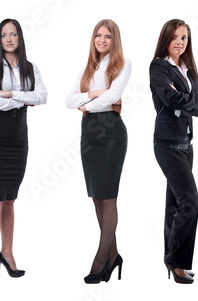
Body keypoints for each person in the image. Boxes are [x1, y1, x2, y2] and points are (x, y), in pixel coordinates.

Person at [0, 18, 46, 284]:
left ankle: (7, 252)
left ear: (20, 38)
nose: (9, 39)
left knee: (10, 199)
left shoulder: (32, 67)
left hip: (20, 139)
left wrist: (8, 94)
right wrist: (21, 97)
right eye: (4, 35)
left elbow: (42, 97)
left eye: (13, 34)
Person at [63, 19, 131, 284]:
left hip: (111, 132)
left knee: (108, 197)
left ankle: (101, 260)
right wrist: (91, 94)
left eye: (107, 37)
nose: (102, 41)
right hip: (89, 134)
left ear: (115, 40)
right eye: (98, 36)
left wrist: (87, 103)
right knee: (96, 197)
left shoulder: (123, 64)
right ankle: (114, 255)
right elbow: (69, 100)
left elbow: (112, 97)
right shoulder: (89, 67)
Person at [149, 19, 198, 285]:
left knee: (175, 203)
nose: (180, 42)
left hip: (187, 143)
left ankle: (175, 261)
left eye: (184, 38)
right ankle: (175, 261)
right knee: (191, 201)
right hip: (167, 143)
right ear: (166, 39)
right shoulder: (159, 66)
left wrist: (192, 101)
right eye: (175, 37)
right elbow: (169, 100)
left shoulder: (188, 69)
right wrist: (191, 101)